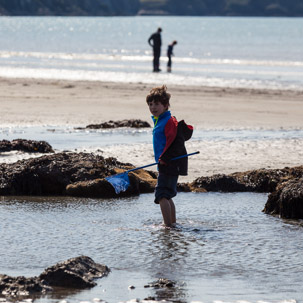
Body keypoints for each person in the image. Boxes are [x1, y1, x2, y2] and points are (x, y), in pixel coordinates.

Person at [146, 85, 193, 227]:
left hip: (169, 163)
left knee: (161, 195)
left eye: (157, 104)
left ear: (165, 105)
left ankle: (167, 227)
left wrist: (165, 158)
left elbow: (177, 143)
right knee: (167, 195)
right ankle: (172, 223)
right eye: (150, 104)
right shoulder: (160, 120)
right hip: (166, 163)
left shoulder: (168, 121)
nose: (153, 107)